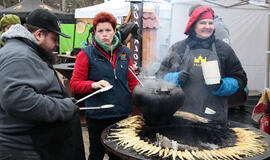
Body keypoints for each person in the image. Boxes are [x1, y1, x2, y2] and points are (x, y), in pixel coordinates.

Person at [0, 9, 85, 160]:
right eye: (54, 39)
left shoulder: (26, 50)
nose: (57, 45)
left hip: (34, 144)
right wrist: (63, 107)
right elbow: (17, 99)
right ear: (39, 35)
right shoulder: (19, 55)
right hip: (23, 148)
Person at [156, 6, 247, 124]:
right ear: (194, 25)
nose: (207, 27)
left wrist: (222, 86)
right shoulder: (179, 48)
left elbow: (240, 79)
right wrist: (175, 78)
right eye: (203, 23)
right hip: (181, 114)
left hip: (214, 116)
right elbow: (160, 76)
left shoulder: (224, 50)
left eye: (210, 23)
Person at [70, 12, 139, 160]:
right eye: (100, 31)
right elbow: (74, 84)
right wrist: (93, 84)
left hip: (121, 114)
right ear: (95, 32)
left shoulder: (125, 52)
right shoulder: (86, 54)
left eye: (108, 30)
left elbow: (132, 81)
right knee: (97, 154)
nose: (104, 34)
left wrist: (139, 102)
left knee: (120, 155)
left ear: (115, 31)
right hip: (98, 116)